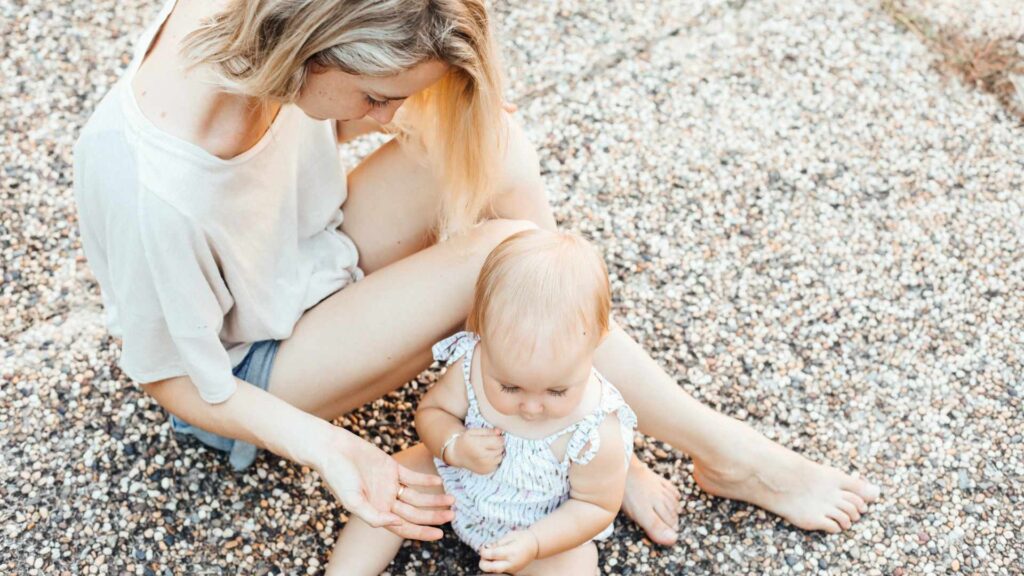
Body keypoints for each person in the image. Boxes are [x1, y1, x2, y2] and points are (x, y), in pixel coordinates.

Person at [73, 0, 880, 556]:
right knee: (502, 254)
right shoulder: (154, 185)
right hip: (251, 369)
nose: (384, 118)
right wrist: (332, 450)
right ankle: (711, 448)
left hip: (305, 253)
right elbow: (175, 381)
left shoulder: (264, 25)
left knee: (491, 139)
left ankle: (578, 421)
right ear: (307, 51)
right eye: (376, 95)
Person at [331, 229, 637, 575]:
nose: (532, 408)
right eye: (509, 387)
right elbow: (434, 411)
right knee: (394, 481)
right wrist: (452, 445)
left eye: (556, 392)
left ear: (596, 342)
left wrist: (534, 542)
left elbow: (594, 507)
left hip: (542, 526)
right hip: (458, 480)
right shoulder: (472, 363)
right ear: (482, 336)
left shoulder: (595, 431)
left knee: (574, 567)